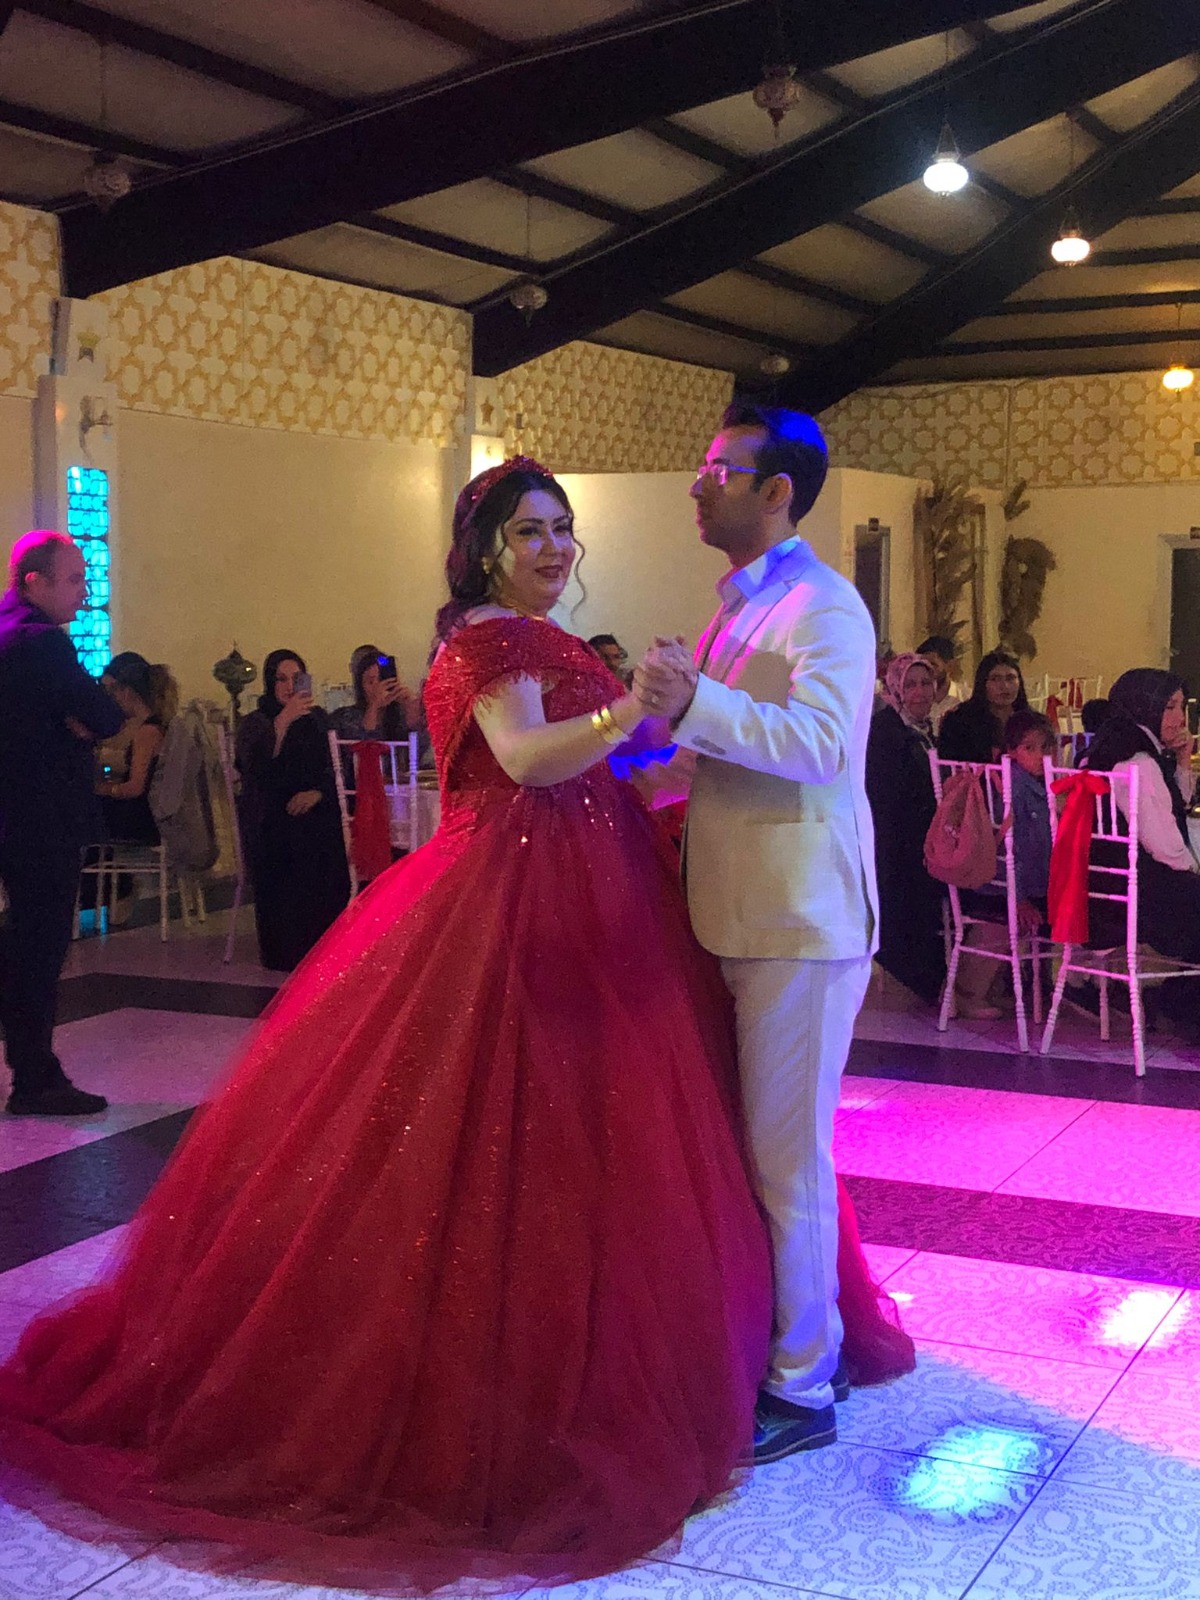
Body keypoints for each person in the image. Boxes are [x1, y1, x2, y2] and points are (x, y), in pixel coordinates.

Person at [0, 458, 778, 1592]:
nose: (555, 548)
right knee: (486, 1139)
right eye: (529, 531)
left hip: (586, 892)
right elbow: (526, 760)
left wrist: (662, 739)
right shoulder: (486, 642)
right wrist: (631, 710)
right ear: (485, 549)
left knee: (587, 1143)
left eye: (563, 529)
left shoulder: (538, 637)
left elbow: (587, 757)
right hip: (513, 903)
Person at [633, 403, 887, 1464]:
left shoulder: (825, 607)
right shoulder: (737, 607)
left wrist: (694, 703)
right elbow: (714, 753)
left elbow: (821, 745)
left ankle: (805, 1383)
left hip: (801, 916)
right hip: (739, 905)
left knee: (790, 1160)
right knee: (757, 1150)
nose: (698, 486)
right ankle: (788, 1339)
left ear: (777, 490)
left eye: (718, 470)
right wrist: (619, 771)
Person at [0, 530, 123, 1116]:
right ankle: (35, 1079)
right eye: (74, 580)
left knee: (21, 941)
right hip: (40, 817)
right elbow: (106, 715)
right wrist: (77, 723)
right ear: (35, 582)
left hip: (10, 812)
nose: (85, 592)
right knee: (39, 946)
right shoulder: (44, 643)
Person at [1080, 669, 1200, 1041]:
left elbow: (1168, 807)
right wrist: (1194, 869)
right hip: (1136, 898)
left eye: (1181, 707)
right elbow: (1167, 849)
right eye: (1169, 707)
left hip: (1105, 887)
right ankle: (1181, 1004)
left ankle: (1177, 1000)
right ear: (1145, 707)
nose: (1180, 718)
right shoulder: (1139, 762)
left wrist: (1182, 761)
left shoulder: (1108, 746)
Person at [235, 650, 349, 971]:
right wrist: (282, 722)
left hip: (316, 807)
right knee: (290, 836)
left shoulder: (317, 719)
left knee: (328, 832)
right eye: (281, 679)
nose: (288, 686)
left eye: (295, 678)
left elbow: (336, 769)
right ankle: (289, 947)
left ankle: (328, 941)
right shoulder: (256, 722)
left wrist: (317, 793)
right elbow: (254, 771)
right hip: (272, 813)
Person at [952, 710, 1055, 1020]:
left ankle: (991, 988)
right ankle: (967, 993)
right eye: (1029, 748)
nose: (1040, 756)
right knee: (998, 929)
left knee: (1013, 929)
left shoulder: (1029, 782)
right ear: (1010, 751)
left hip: (1016, 880)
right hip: (1001, 883)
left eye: (1045, 747)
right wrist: (1019, 897)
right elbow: (1014, 849)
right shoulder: (1013, 787)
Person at [866, 652, 946, 1007]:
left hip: (924, 835)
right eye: (910, 684)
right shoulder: (885, 732)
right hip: (896, 843)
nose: (919, 692)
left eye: (926, 683)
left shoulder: (926, 729)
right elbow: (889, 795)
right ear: (895, 689)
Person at [938, 649, 1029, 763]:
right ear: (983, 683)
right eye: (995, 679)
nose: (1004, 686)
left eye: (1010, 678)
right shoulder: (959, 721)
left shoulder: (1031, 721)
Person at [329, 643, 424, 748]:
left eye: (382, 679)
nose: (378, 687)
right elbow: (364, 750)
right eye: (371, 682)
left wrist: (412, 711)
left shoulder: (399, 714)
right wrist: (374, 706)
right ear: (361, 686)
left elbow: (418, 750)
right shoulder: (345, 717)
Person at [918, 634, 964, 732]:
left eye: (933, 664)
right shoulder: (916, 700)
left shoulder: (964, 698)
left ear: (949, 665)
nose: (927, 670)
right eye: (923, 665)